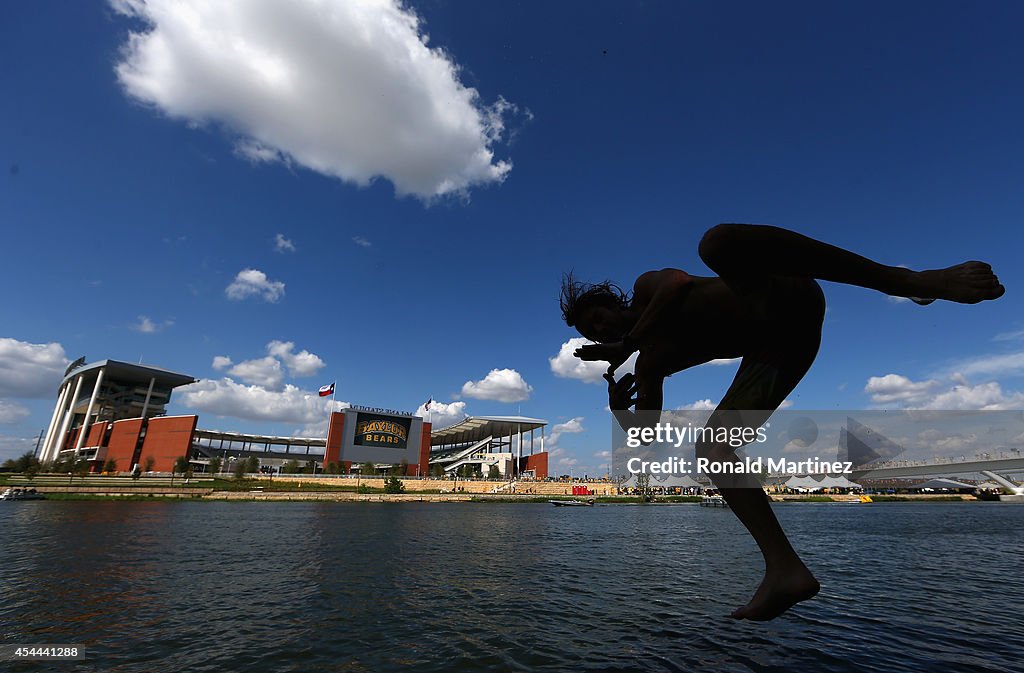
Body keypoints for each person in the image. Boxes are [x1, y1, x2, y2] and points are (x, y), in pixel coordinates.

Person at [561, 223, 1004, 621]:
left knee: (718, 242)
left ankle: (912, 280)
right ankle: (784, 568)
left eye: (599, 321)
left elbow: (677, 283)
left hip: (781, 294)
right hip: (781, 347)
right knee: (712, 450)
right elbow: (645, 438)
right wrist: (617, 405)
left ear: (616, 304)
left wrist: (630, 341)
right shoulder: (651, 363)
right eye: (592, 335)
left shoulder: (647, 290)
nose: (600, 333)